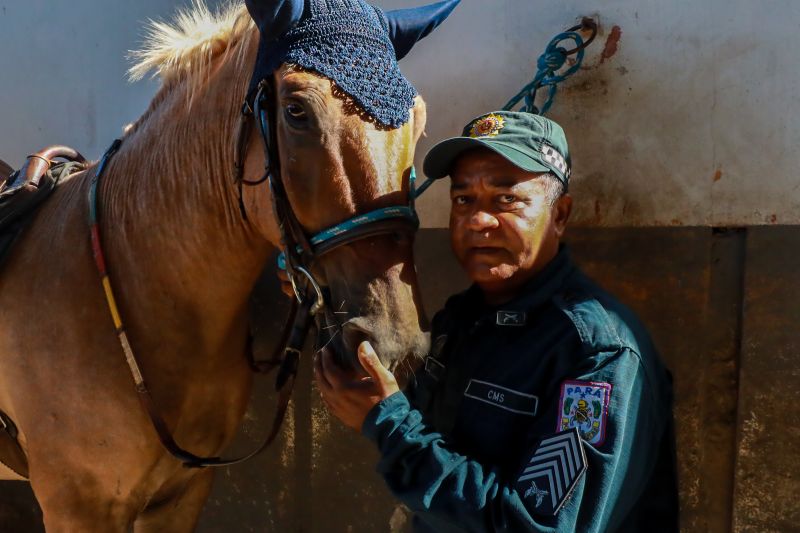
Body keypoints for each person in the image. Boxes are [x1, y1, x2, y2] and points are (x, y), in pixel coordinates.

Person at [312, 110, 680, 531]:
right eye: (463, 200)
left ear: (560, 215)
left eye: (506, 200)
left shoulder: (595, 354)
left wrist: (390, 424)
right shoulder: (461, 321)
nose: (478, 221)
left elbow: (534, 524)